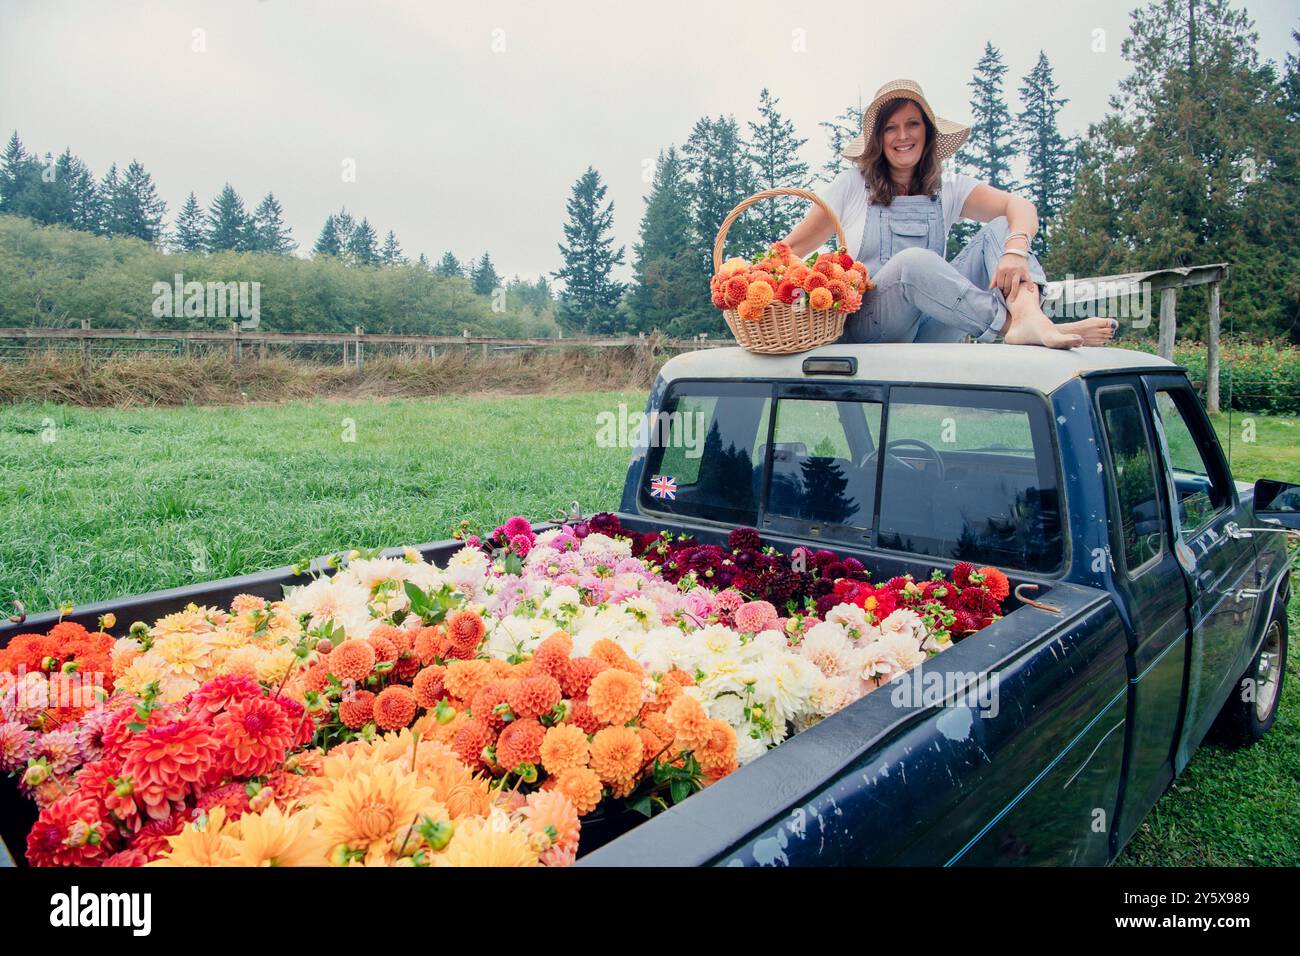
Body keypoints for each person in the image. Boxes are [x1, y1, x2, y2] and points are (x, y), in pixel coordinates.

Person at [784, 79, 1116, 349]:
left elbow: (1021, 207)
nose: (903, 136)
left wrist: (1015, 249)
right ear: (878, 139)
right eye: (890, 128)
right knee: (913, 263)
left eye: (912, 124)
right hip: (870, 329)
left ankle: (1029, 316)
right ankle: (1012, 325)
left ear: (927, 131)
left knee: (1002, 225)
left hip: (928, 329)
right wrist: (761, 286)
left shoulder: (948, 186)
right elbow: (788, 251)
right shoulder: (851, 185)